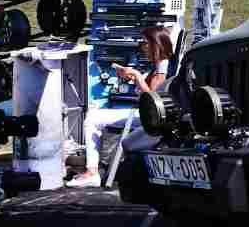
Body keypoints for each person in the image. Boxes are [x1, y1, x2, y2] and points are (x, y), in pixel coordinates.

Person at [68, 26, 174, 187]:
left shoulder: (162, 69)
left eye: (145, 43)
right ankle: (92, 171)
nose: (142, 47)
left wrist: (137, 77)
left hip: (150, 118)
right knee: (94, 118)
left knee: (92, 119)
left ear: (156, 44)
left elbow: (152, 101)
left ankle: (92, 172)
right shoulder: (160, 67)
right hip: (147, 115)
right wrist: (135, 79)